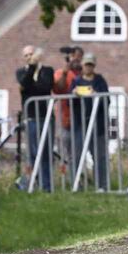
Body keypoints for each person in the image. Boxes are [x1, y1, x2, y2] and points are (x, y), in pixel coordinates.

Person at [16, 46, 55, 191]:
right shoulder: (21, 72)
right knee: (33, 152)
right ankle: (34, 183)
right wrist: (31, 68)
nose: (29, 57)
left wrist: (31, 85)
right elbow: (25, 86)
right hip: (31, 117)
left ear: (37, 55)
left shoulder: (48, 71)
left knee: (46, 151)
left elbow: (44, 88)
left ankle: (47, 186)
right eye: (26, 55)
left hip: (46, 116)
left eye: (31, 54)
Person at [69, 53, 110, 190]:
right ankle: (76, 185)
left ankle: (102, 185)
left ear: (94, 66)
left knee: (99, 156)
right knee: (76, 155)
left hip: (97, 125)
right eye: (86, 64)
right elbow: (69, 102)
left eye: (91, 65)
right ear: (82, 65)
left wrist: (96, 93)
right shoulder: (76, 81)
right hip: (80, 124)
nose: (88, 67)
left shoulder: (100, 80)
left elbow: (107, 100)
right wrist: (74, 93)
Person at [53, 46, 83, 174]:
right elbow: (58, 89)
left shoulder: (84, 73)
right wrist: (65, 72)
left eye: (78, 57)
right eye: (73, 56)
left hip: (83, 120)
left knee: (81, 152)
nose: (75, 59)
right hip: (68, 121)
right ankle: (75, 182)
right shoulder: (61, 72)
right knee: (70, 154)